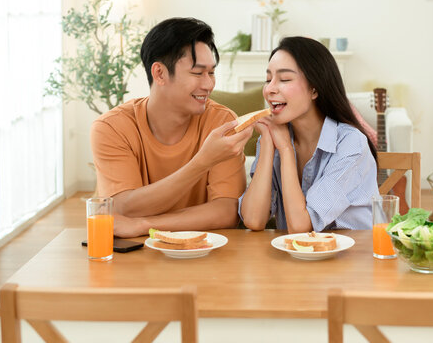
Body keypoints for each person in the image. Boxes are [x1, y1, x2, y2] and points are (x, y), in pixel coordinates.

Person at [91, 17, 253, 238]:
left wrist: (144, 225)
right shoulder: (112, 128)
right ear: (159, 73)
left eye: (212, 72)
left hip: (203, 252)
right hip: (135, 255)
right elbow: (123, 207)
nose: (208, 84)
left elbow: (227, 212)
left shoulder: (221, 123)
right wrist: (203, 161)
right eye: (197, 73)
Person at [239, 37, 379, 233]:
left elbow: (300, 226)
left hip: (350, 258)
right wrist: (268, 145)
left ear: (314, 89)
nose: (269, 89)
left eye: (284, 79)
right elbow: (254, 220)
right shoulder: (275, 137)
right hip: (298, 258)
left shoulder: (351, 144)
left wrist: (286, 149)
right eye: (268, 79)